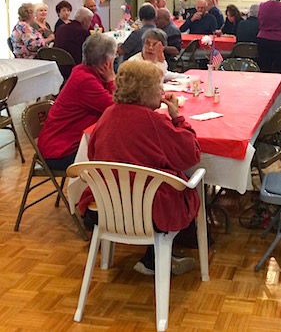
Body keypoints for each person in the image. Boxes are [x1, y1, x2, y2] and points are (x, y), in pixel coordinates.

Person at [78, 59, 201, 276]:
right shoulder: (153, 121)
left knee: (146, 184)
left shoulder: (107, 115)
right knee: (177, 184)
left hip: (104, 209)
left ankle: (153, 259)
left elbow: (93, 156)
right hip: (144, 214)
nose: (162, 90)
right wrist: (178, 118)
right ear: (144, 91)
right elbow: (190, 154)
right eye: (158, 86)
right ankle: (157, 259)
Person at [37, 33, 117, 171]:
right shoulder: (86, 80)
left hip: (62, 144)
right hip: (60, 152)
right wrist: (111, 80)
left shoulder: (83, 71)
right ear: (108, 62)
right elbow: (116, 107)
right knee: (116, 156)